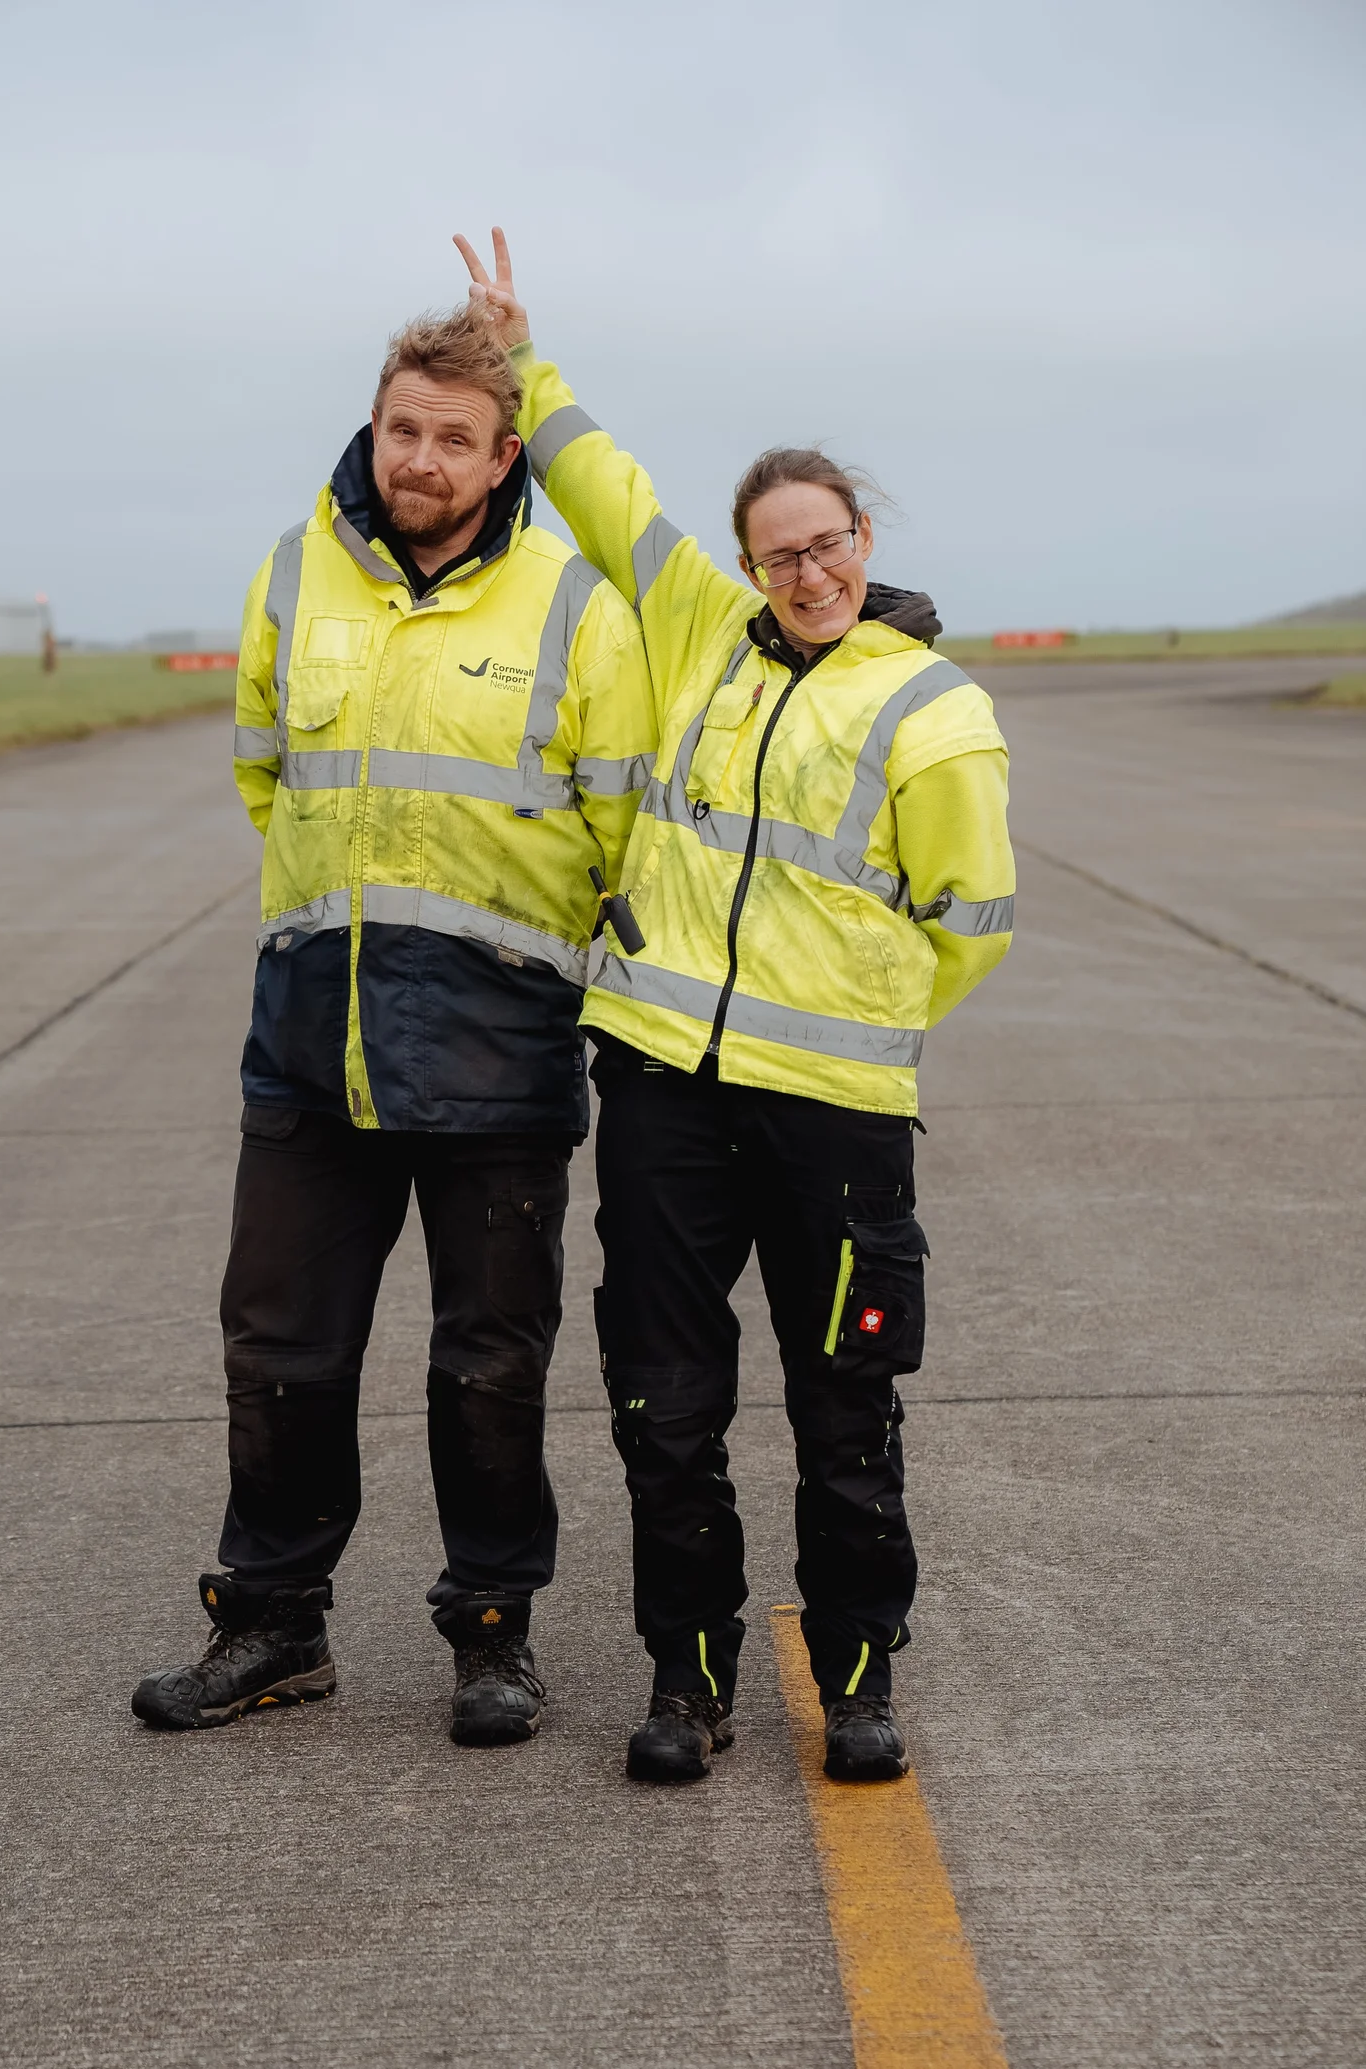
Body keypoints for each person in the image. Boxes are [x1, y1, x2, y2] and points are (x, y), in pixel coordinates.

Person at [458, 231, 1014, 1785]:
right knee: (665, 1404)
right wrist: (520, 362)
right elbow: (602, 486)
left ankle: (857, 1684)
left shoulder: (933, 708)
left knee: (846, 1406)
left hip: (834, 1113)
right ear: (746, 562)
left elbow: (971, 926)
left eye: (826, 542)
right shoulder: (703, 633)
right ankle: (686, 1680)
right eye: (777, 553)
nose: (808, 572)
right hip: (661, 1094)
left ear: (864, 535)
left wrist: (855, 1019)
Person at [131, 306, 655, 1745]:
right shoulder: (297, 572)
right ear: (375, 426)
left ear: (501, 461)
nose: (420, 459)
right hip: (311, 1036)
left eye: (454, 439)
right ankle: (274, 1626)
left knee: (489, 1361)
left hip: (500, 1049)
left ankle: (493, 1633)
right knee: (282, 1349)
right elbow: (264, 772)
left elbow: (620, 825)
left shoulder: (572, 603)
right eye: (402, 429)